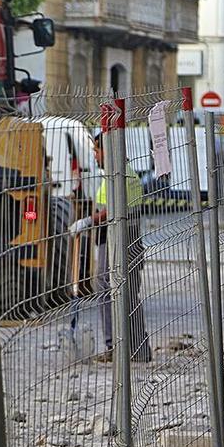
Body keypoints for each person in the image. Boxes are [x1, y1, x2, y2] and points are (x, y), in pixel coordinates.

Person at [69, 132, 152, 362]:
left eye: (97, 150)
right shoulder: (115, 175)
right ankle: (134, 348)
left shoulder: (122, 175)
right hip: (119, 238)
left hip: (119, 239)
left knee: (108, 287)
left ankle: (116, 347)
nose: (95, 155)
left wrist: (88, 221)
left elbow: (113, 210)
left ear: (110, 150)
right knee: (123, 292)